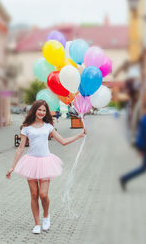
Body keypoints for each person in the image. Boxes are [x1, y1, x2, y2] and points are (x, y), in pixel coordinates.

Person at [6, 100, 86, 234]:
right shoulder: (26, 127)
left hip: (46, 162)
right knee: (34, 194)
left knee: (43, 195)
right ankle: (37, 223)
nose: (42, 112)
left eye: (44, 110)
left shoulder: (48, 127)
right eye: (39, 110)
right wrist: (12, 167)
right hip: (31, 162)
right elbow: (20, 148)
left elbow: (63, 142)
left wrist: (80, 135)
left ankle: (46, 216)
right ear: (34, 110)